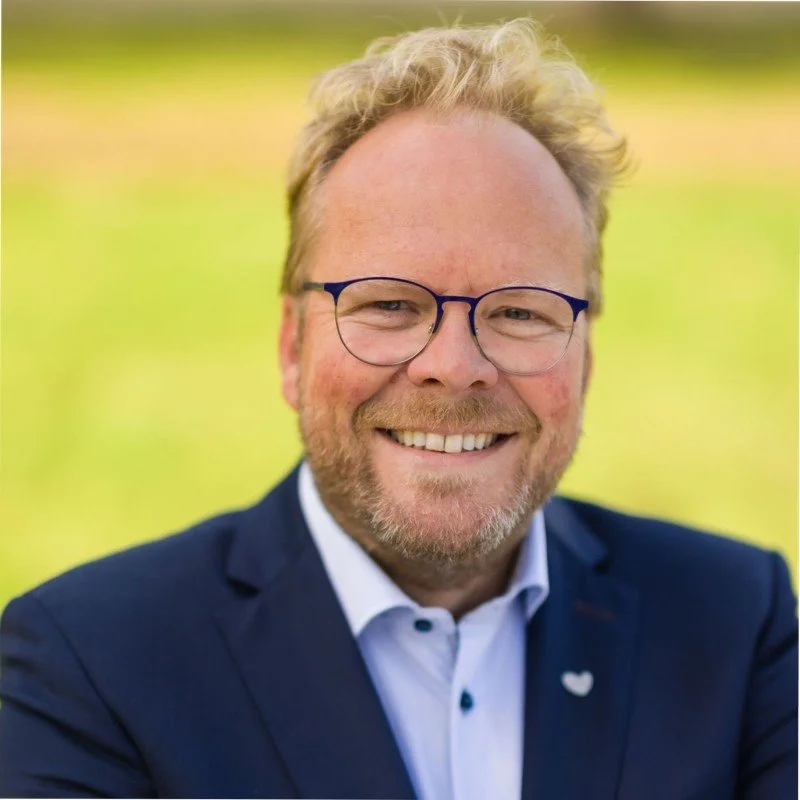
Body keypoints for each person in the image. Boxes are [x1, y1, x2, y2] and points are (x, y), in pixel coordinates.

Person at [0, 18, 796, 800]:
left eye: (520, 311)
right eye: (389, 304)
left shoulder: (736, 625)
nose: (453, 367)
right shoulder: (88, 667)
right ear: (291, 345)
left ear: (584, 359)